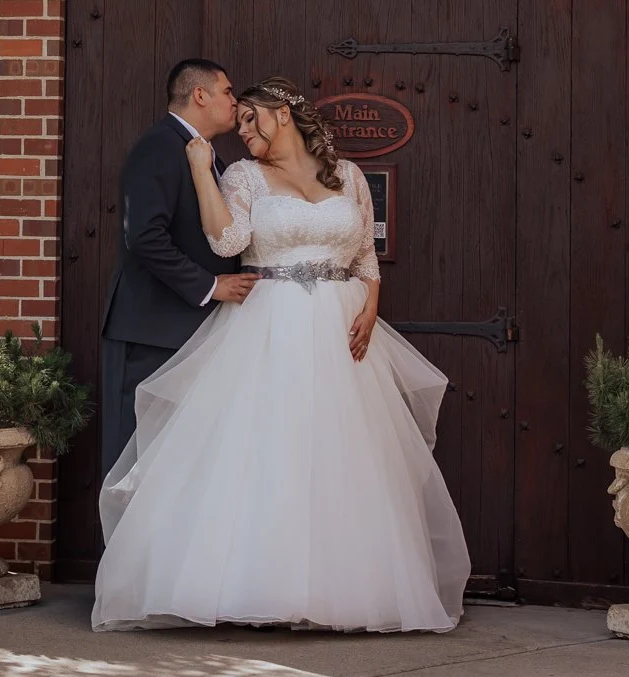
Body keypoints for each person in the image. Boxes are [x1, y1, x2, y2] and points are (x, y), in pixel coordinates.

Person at [93, 76, 471, 633]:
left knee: (343, 452)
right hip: (269, 325)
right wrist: (202, 171)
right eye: (238, 120)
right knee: (268, 449)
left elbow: (365, 251)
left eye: (252, 119)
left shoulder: (349, 176)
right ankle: (254, 585)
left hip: (342, 327)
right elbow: (226, 243)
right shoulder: (242, 176)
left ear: (284, 114)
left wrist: (371, 304)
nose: (243, 131)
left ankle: (342, 591)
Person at [99, 59, 257, 473]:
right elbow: (145, 238)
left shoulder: (207, 156)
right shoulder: (159, 146)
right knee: (135, 460)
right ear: (199, 94)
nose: (234, 101)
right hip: (151, 334)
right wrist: (211, 286)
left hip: (186, 331)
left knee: (178, 463)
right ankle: (124, 541)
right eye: (227, 91)